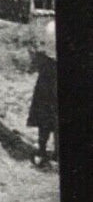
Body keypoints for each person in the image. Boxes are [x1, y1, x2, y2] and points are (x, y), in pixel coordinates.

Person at [29, 20, 58, 167]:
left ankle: (42, 150)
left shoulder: (50, 26)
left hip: (49, 69)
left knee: (45, 111)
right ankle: (56, 153)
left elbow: (44, 49)